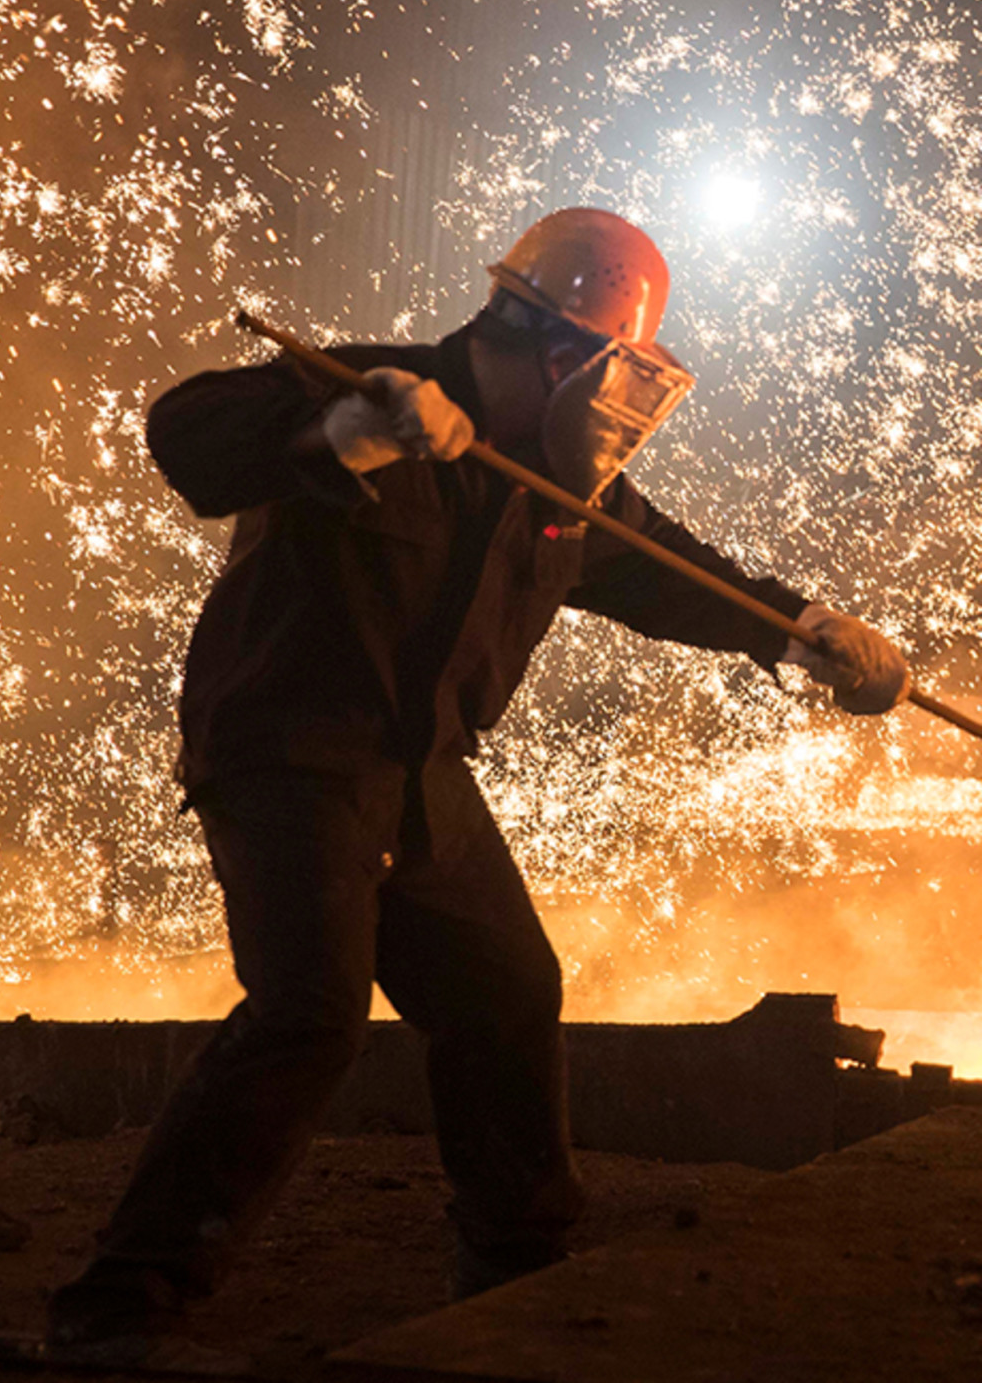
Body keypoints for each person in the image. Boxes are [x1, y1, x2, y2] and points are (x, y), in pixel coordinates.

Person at [47, 207, 909, 1356]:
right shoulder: (365, 386)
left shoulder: (549, 478)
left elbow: (661, 569)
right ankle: (118, 1310)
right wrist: (352, 432)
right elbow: (187, 434)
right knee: (309, 1014)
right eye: (611, 369)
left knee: (504, 992)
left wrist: (800, 629)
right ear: (558, 352)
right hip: (289, 753)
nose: (619, 400)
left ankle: (517, 1269)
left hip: (418, 772)